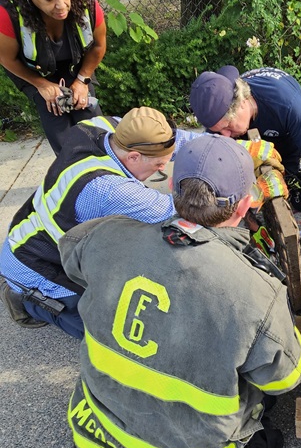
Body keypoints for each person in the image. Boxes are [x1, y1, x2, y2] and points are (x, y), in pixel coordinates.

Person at [60, 134, 301, 448]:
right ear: (245, 204)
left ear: (172, 189)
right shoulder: (256, 293)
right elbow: (285, 378)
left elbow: (71, 260)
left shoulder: (107, 233)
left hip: (93, 414)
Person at [0, 107, 203, 339]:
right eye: (159, 166)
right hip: (36, 265)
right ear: (134, 157)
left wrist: (241, 151)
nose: (161, 170)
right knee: (113, 336)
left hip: (31, 231)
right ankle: (26, 300)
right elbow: (178, 210)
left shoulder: (107, 127)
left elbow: (185, 142)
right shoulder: (106, 189)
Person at [190, 65, 301, 242]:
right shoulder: (218, 116)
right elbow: (224, 177)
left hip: (286, 133)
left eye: (228, 127)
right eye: (219, 131)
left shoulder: (288, 106)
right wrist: (254, 228)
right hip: (259, 128)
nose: (226, 135)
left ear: (242, 103)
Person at [0, 0, 106, 155]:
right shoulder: (7, 13)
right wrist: (42, 85)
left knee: (93, 125)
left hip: (76, 67)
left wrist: (82, 80)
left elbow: (98, 45)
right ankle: (73, 173)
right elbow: (7, 59)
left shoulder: (84, 0)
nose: (61, 6)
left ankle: (104, 171)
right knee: (61, 130)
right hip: (35, 71)